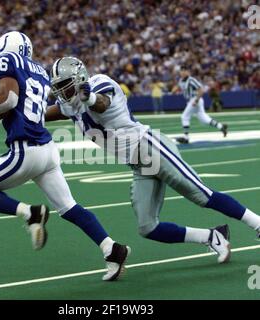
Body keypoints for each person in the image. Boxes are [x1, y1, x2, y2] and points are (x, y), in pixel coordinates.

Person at [46, 56, 260, 264]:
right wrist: (21, 111)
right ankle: (212, 237)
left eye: (65, 84)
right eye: (59, 87)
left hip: (150, 147)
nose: (62, 92)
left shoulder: (99, 83)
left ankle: (258, 223)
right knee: (147, 227)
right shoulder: (70, 104)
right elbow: (46, 113)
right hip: (139, 164)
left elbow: (102, 103)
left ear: (80, 77)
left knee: (201, 195)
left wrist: (89, 98)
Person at [0, 32, 130, 281]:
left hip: (26, 149)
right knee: (70, 207)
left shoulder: (6, 61)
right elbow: (14, 104)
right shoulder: (40, 71)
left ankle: (30, 213)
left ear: (4, 48)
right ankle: (112, 249)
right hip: (47, 149)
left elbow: (8, 101)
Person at [172, 66, 228, 144]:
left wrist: (196, 100)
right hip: (191, 101)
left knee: (184, 116)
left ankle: (186, 137)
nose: (183, 72)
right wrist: (173, 90)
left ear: (188, 72)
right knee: (204, 119)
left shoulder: (191, 80)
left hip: (195, 99)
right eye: (181, 71)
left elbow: (201, 90)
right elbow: (179, 86)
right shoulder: (181, 80)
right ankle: (221, 127)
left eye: (185, 70)